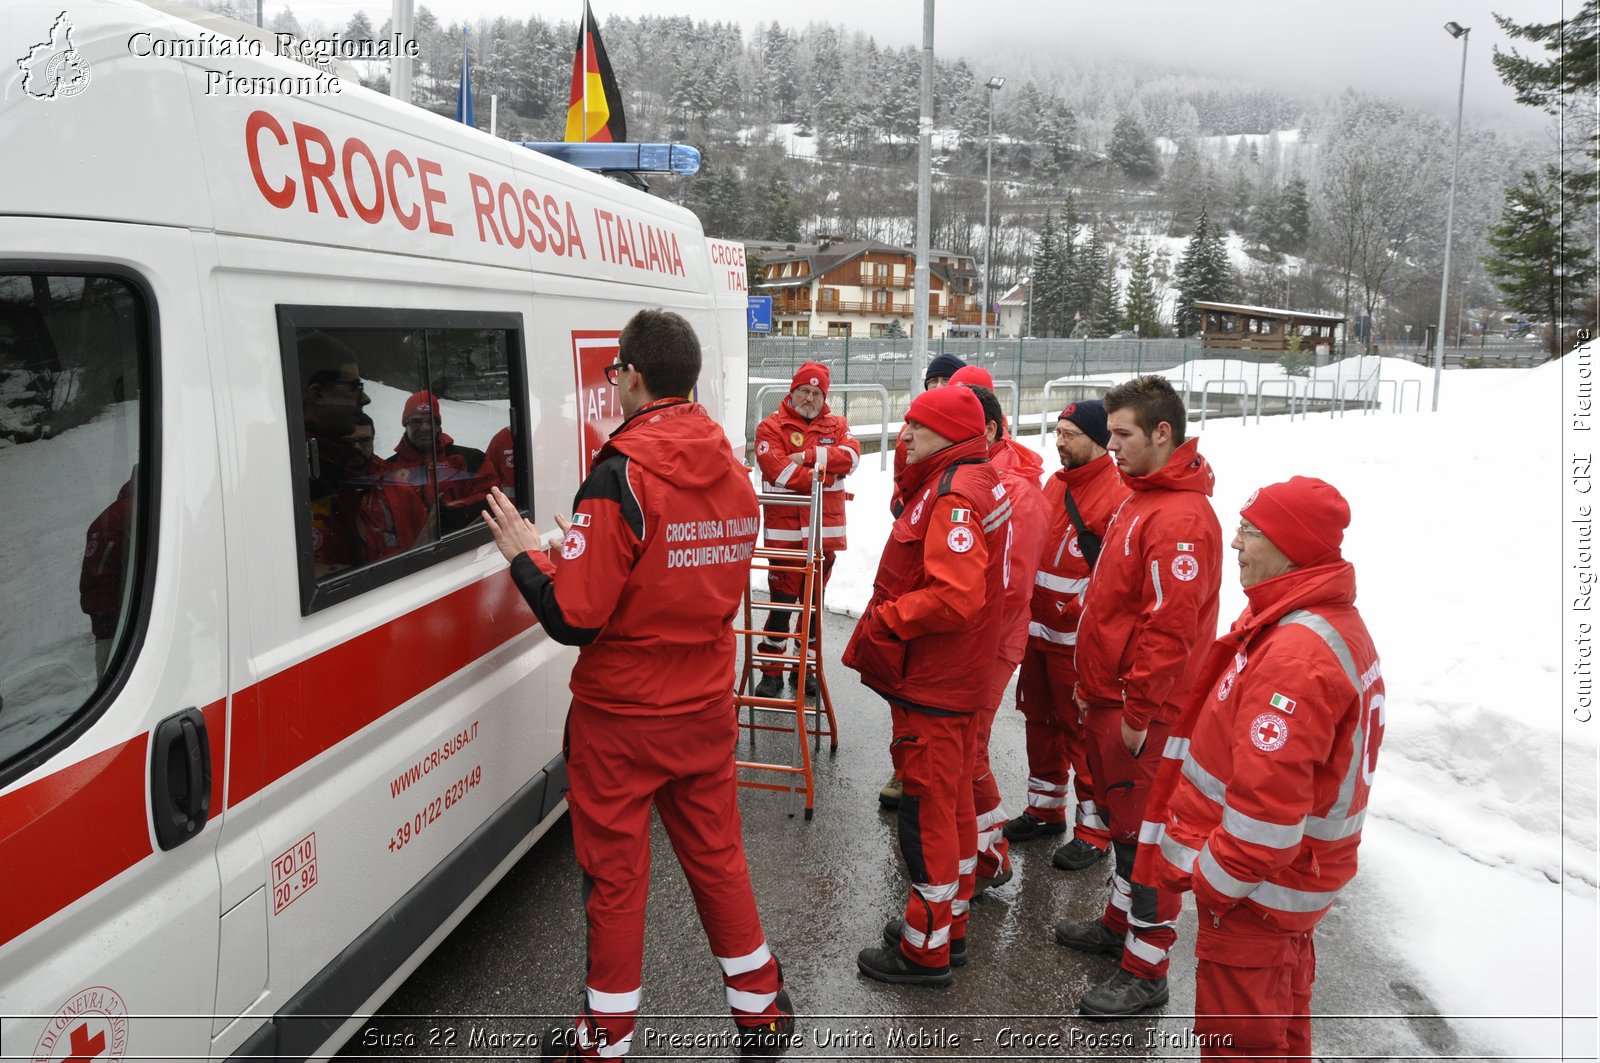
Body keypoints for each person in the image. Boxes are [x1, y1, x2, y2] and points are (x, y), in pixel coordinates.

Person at [480, 309, 794, 1061]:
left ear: (632, 375)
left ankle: (604, 1041)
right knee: (718, 858)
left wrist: (531, 556)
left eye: (616, 369)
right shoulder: (731, 466)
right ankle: (762, 1010)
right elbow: (679, 574)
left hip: (622, 720)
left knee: (616, 882)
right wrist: (590, 549)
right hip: (702, 706)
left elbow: (574, 616)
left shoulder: (619, 474)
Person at [1134, 477, 1383, 1061]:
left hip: (1257, 895)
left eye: (1250, 531)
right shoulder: (1316, 625)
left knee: (1239, 1048)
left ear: (1289, 547)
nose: (1238, 545)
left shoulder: (1296, 655)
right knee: (1280, 1033)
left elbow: (1265, 816)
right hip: (1281, 889)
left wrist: (1216, 883)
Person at [1056, 374, 1222, 1020]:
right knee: (1128, 830)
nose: (1112, 445)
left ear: (1162, 432)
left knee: (1151, 840)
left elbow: (1169, 628)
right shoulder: (1143, 496)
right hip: (1114, 704)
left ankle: (1146, 968)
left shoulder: (1179, 517)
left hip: (1145, 717)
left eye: (1123, 434)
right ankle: (1120, 924)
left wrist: (1137, 711)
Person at [842, 384, 1011, 987]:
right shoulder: (972, 479)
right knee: (954, 806)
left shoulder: (953, 495)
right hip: (954, 678)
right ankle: (948, 925)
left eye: (917, 426)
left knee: (928, 816)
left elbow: (956, 596)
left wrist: (887, 619)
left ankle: (925, 950)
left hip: (937, 683)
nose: (905, 435)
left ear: (947, 434)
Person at [1001, 401, 1125, 877]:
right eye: (1057, 431)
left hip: (1078, 643)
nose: (1059, 441)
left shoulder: (1116, 495)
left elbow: (1112, 578)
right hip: (1037, 634)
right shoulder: (1055, 485)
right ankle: (1044, 809)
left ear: (1097, 440)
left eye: (1070, 433)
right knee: (1040, 722)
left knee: (1081, 733)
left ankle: (1094, 831)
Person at [955, 380, 1048, 896]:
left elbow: (1009, 589)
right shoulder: (983, 476)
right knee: (962, 750)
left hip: (988, 642)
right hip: (971, 640)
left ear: (987, 430)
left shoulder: (1017, 493)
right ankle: (977, 848)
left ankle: (989, 855)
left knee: (970, 750)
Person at [879, 351, 970, 809]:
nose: (937, 387)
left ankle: (923, 786)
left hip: (941, 626)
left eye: (945, 381)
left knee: (944, 737)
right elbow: (904, 481)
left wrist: (889, 619)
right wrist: (905, 508)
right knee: (908, 703)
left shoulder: (963, 483)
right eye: (932, 380)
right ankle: (905, 770)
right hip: (916, 571)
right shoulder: (917, 437)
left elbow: (956, 592)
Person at [752, 361, 861, 699]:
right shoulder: (769, 427)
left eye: (817, 393)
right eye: (805, 391)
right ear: (793, 390)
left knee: (813, 610)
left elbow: (853, 457)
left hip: (823, 536)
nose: (810, 398)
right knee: (782, 607)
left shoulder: (838, 424)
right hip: (784, 539)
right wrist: (826, 473)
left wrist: (808, 456)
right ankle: (771, 673)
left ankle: (806, 670)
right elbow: (778, 472)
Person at [299, 332, 373, 577]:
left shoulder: (340, 459)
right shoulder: (301, 470)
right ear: (317, 394)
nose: (365, 398)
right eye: (354, 387)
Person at [389, 390, 491, 534]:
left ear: (438, 425)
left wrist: (449, 510)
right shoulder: (389, 468)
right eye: (416, 421)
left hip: (463, 548)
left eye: (431, 421)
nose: (425, 428)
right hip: (411, 551)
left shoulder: (471, 459)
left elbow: (490, 497)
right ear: (406, 424)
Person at [346, 413, 434, 561]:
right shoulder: (320, 491)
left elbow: (424, 537)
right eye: (349, 442)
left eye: (365, 441)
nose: (357, 448)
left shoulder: (395, 485)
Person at [80, 467, 136, 676]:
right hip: (121, 623)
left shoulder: (109, 516)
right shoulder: (139, 515)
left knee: (109, 683)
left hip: (104, 617)